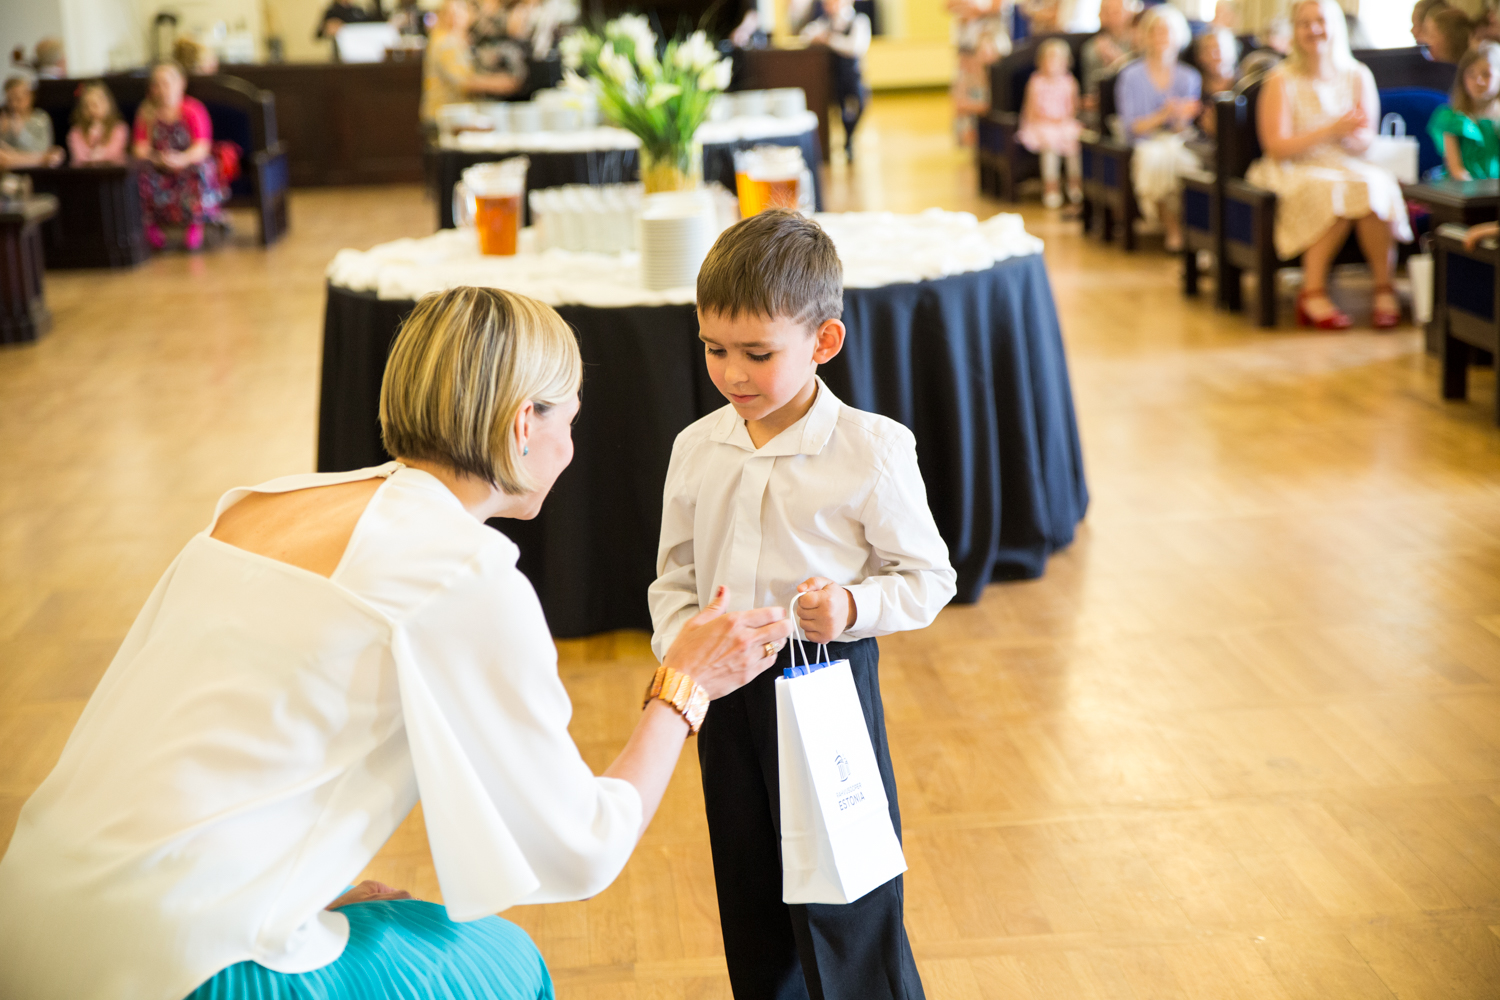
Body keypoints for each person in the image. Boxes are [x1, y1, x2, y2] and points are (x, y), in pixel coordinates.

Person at [0, 285, 793, 1000]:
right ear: (524, 424)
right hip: (182, 965)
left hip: (30, 918)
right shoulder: (460, 571)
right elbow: (580, 847)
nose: (572, 449)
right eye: (571, 421)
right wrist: (684, 685)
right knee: (503, 964)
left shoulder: (255, 505)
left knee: (390, 919)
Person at [649, 210, 957, 1000]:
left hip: (827, 688)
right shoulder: (696, 448)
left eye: (758, 353)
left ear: (823, 342)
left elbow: (928, 577)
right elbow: (673, 577)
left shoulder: (872, 450)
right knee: (749, 886)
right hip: (723, 688)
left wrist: (852, 608)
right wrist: (685, 646)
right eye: (714, 349)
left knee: (845, 893)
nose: (732, 373)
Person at [1246, 0, 1410, 329]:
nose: (1313, 29)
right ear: (1294, 31)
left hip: (1347, 160)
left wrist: (1349, 136)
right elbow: (1276, 146)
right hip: (1292, 166)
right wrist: (1330, 130)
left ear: (1335, 26)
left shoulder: (1358, 75)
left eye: (1320, 20)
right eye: (1304, 23)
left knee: (1375, 185)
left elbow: (1367, 138)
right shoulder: (1280, 80)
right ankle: (1312, 291)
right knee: (1331, 189)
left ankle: (1383, 286)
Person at [1116, 4, 1202, 252]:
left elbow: (1184, 127)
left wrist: (1179, 117)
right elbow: (1132, 126)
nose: (1161, 38)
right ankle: (1172, 227)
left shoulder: (1189, 77)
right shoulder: (1130, 76)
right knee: (1155, 159)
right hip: (1145, 141)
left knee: (1184, 162)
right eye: (1156, 32)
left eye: (1167, 32)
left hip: (1177, 140)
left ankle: (1190, 228)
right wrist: (1163, 114)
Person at [132, 61, 224, 252]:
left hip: (187, 164)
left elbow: (202, 147)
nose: (162, 89)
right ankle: (150, 227)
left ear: (180, 84)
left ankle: (195, 224)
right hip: (159, 166)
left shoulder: (193, 109)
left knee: (203, 168)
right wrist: (158, 158)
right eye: (157, 84)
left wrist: (181, 159)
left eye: (167, 83)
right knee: (139, 173)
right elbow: (140, 148)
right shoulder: (147, 112)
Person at [422, 0, 521, 129]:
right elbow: (464, 82)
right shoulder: (446, 42)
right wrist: (504, 83)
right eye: (452, 13)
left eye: (461, 11)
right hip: (445, 118)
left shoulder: (448, 39)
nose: (456, 18)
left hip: (448, 116)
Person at [1018, 38, 1084, 210]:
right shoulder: (1036, 82)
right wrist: (1050, 120)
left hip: (1063, 124)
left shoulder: (1069, 82)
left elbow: (1073, 109)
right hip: (1040, 125)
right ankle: (1051, 187)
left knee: (1073, 140)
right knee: (1050, 143)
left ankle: (1074, 184)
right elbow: (1032, 111)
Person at [802, 0, 872, 163]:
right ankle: (847, 142)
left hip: (854, 74)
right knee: (841, 109)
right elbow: (806, 35)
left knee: (860, 105)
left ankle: (850, 137)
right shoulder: (826, 22)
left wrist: (829, 39)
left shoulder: (859, 20)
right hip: (835, 75)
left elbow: (855, 47)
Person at [1429, 41, 1500, 180]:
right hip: (1464, 192)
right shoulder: (1451, 117)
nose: (1478, 81)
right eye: (1471, 75)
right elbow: (1457, 171)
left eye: (1486, 74)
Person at [949, 0, 1011, 147]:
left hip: (991, 33)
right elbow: (950, 5)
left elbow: (1000, 6)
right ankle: (968, 137)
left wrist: (975, 11)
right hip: (969, 41)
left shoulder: (994, 52)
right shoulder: (968, 71)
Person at [1081, 0, 1138, 115]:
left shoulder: (1138, 41)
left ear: (1129, 13)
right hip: (1102, 106)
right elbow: (1090, 91)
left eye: (1115, 11)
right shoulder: (1092, 48)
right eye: (1106, 11)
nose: (1110, 15)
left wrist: (1119, 60)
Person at [0, 76, 64, 169]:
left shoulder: (41, 118)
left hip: (29, 163)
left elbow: (43, 149)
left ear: (29, 97)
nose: (14, 104)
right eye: (10, 100)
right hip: (22, 163)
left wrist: (21, 133)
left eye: (18, 99)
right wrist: (3, 133)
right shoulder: (4, 118)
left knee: (56, 154)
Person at [66, 80, 129, 165]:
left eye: (95, 105)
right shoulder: (75, 133)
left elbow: (114, 154)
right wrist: (91, 140)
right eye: (86, 106)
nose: (91, 110)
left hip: (113, 175)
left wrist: (100, 146)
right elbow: (78, 158)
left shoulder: (119, 129)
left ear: (108, 104)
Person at [471, 0, 531, 85]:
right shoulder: (474, 8)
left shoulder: (516, 8)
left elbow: (516, 30)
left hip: (510, 69)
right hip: (480, 65)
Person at [1194, 25, 1238, 136]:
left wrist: (1217, 129)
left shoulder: (1243, 87)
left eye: (1218, 49)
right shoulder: (1193, 88)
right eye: (1207, 50)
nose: (1213, 55)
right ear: (1200, 56)